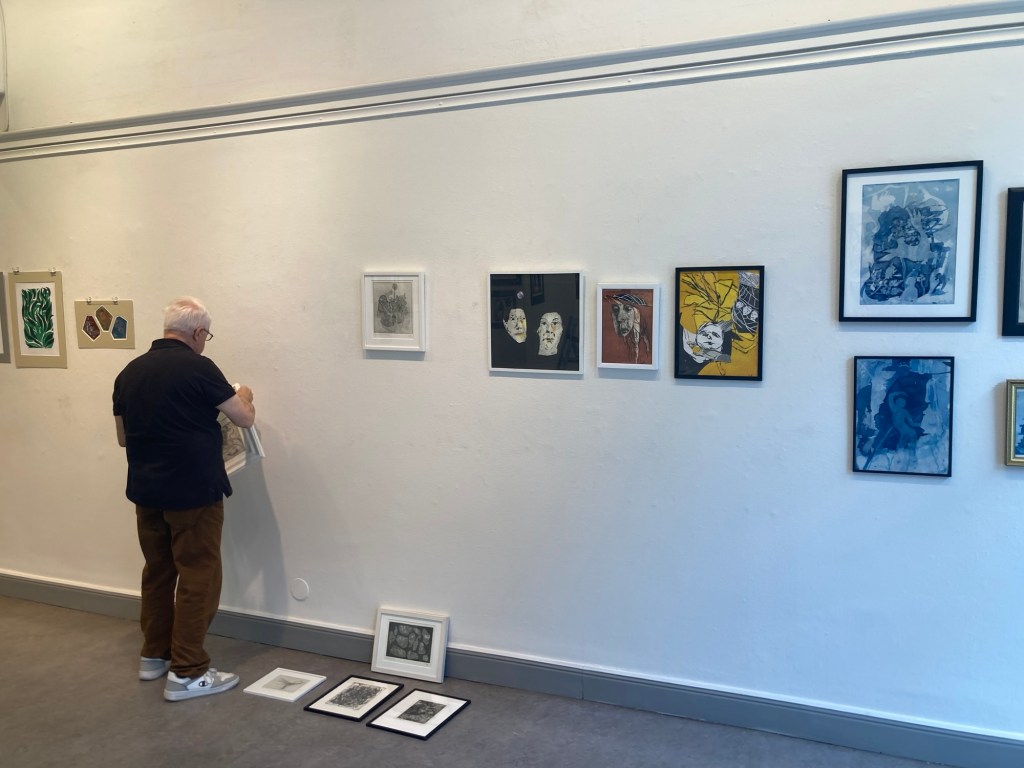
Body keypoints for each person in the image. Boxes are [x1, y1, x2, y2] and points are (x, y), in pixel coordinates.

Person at [112, 296, 255, 702]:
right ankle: (188, 672)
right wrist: (244, 393)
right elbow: (244, 417)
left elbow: (122, 438)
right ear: (198, 332)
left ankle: (153, 656)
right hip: (194, 493)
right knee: (198, 576)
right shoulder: (199, 368)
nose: (205, 342)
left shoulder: (129, 373)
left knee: (158, 572)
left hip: (146, 491)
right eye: (206, 336)